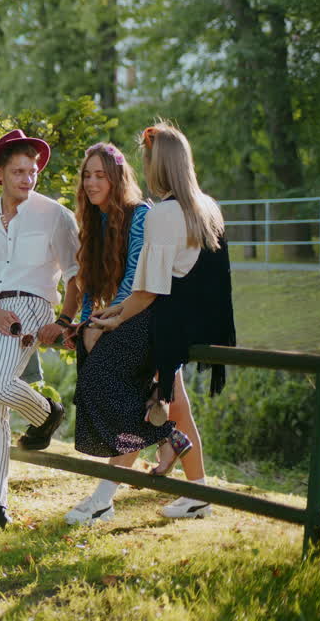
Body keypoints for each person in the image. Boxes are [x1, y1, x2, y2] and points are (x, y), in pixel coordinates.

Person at [84, 122, 236, 521]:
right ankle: (196, 488)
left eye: (147, 160)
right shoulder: (208, 206)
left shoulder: (163, 214)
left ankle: (106, 495)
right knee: (174, 400)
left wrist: (114, 321)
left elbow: (148, 291)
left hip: (165, 324)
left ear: (157, 165)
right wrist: (112, 312)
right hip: (196, 324)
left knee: (110, 378)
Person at [0, 129, 82, 537]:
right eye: (20, 171)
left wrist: (62, 320)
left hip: (33, 302)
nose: (28, 178)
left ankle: (47, 413)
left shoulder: (55, 215)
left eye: (33, 171)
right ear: (0, 174)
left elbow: (77, 275)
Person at [60, 142, 185, 525]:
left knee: (101, 381)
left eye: (101, 175)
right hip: (117, 315)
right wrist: (83, 324)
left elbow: (135, 278)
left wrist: (104, 322)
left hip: (147, 316)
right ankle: (158, 444)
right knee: (101, 385)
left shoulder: (140, 214)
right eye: (87, 175)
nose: (92, 182)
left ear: (117, 177)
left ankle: (158, 442)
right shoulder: (93, 222)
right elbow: (88, 280)